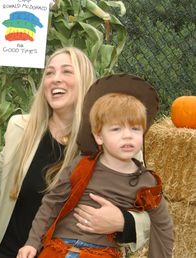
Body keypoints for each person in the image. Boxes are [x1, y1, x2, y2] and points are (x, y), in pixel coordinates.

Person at [0, 47, 151, 258]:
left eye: (67, 71)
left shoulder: (114, 139)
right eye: (49, 73)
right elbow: (0, 185)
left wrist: (122, 221)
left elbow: (151, 213)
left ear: (85, 81)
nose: (56, 79)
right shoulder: (21, 128)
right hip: (13, 251)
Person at [17, 74, 173, 258]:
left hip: (102, 253)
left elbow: (163, 225)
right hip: (59, 246)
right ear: (99, 136)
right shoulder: (82, 165)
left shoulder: (145, 181)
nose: (128, 136)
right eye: (116, 129)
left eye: (135, 129)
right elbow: (53, 202)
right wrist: (32, 242)